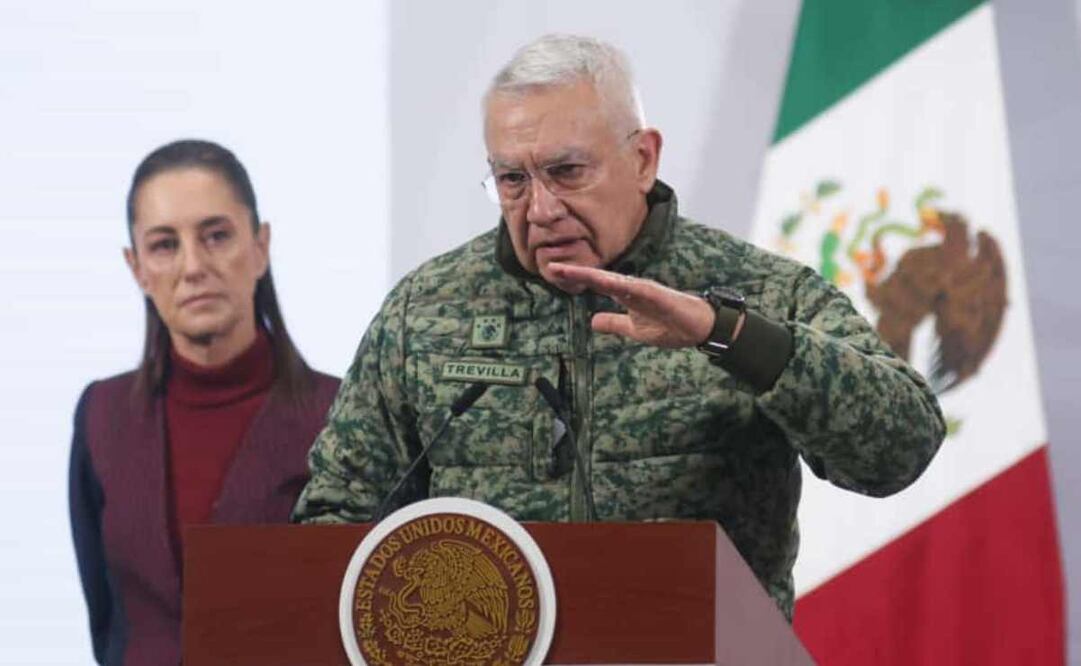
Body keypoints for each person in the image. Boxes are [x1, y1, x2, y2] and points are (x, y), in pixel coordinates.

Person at [292, 35, 945, 619]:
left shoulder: (760, 292)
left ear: (642, 158)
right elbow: (336, 517)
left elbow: (899, 450)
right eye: (511, 180)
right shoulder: (426, 308)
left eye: (566, 172)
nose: (541, 209)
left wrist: (730, 337)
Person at [68, 139, 339, 665]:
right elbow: (109, 625)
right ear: (137, 267)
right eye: (164, 245)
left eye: (217, 236)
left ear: (260, 246)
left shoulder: (342, 416)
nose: (193, 266)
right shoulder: (101, 415)